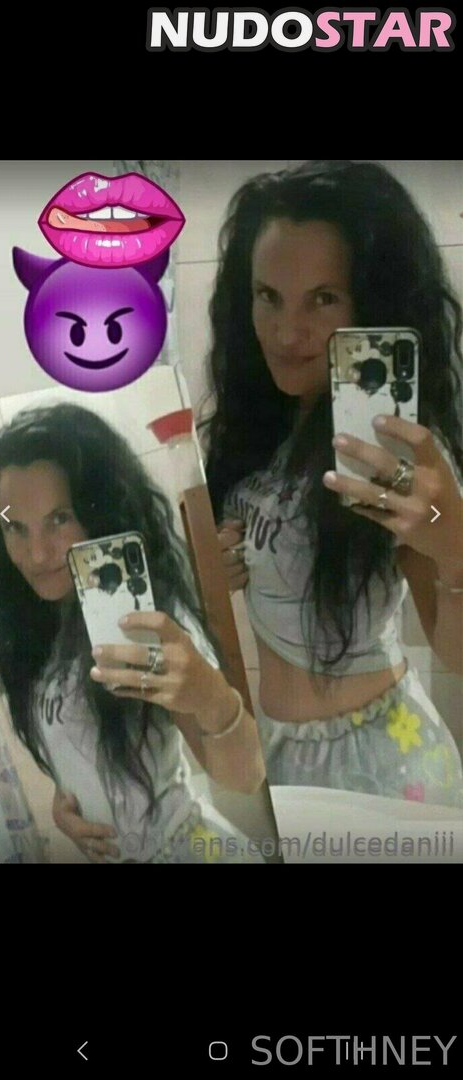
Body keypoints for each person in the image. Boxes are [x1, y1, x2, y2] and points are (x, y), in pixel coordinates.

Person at [202, 159, 463, 808]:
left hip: (384, 762)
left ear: (372, 302)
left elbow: (456, 652)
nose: (287, 333)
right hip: (280, 748)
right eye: (269, 296)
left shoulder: (392, 442)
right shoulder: (258, 426)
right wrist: (224, 557)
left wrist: (454, 542)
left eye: (323, 298)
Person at [0, 404, 266, 863]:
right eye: (16, 527)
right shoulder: (34, 632)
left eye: (59, 519)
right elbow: (79, 748)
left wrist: (210, 695)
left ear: (98, 513)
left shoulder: (147, 619)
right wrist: (64, 806)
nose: (37, 554)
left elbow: (245, 777)